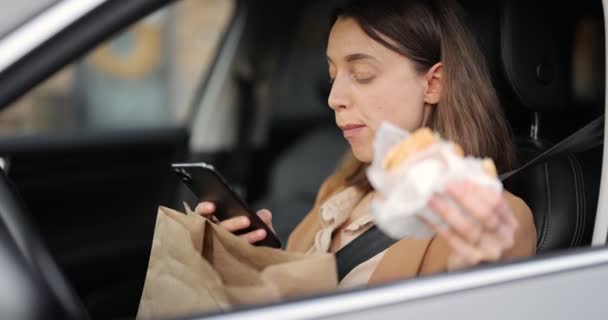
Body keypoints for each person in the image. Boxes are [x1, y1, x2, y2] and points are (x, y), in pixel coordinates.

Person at [195, 0, 537, 288]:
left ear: (433, 84)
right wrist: (252, 259)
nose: (334, 98)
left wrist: (473, 277)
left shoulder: (488, 218)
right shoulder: (340, 189)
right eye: (332, 76)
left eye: (362, 75)